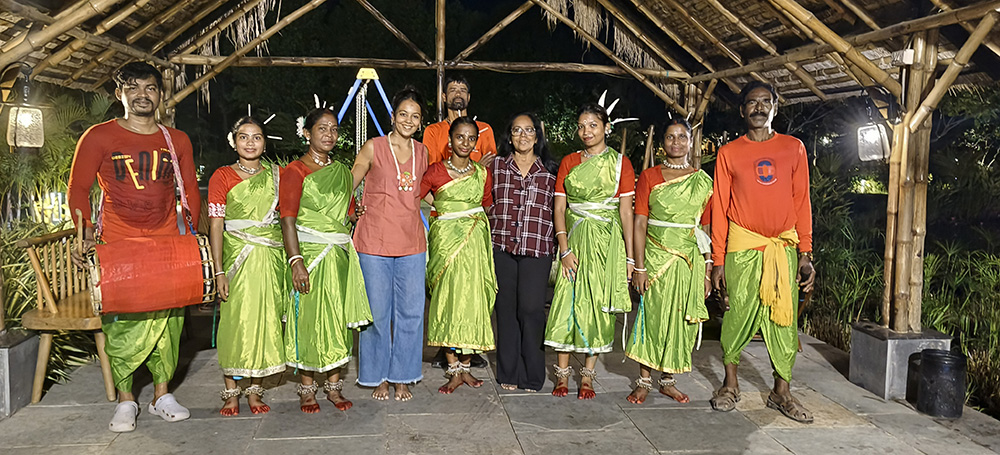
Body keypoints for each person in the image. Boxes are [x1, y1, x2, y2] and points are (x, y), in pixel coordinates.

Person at [68, 62, 198, 432]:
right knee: (122, 319)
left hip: (165, 238)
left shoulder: (178, 139)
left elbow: (189, 190)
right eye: (134, 87)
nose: (143, 94)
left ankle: (161, 395)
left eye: (151, 87)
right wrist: (85, 232)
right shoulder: (98, 136)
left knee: (168, 318)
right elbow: (78, 189)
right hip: (118, 239)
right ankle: (127, 400)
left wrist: (191, 235)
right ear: (119, 94)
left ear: (160, 93)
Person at [709, 81, 816, 423]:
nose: (758, 107)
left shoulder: (793, 148)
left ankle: (781, 392)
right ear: (742, 111)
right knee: (737, 313)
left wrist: (806, 252)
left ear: (775, 108)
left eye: (765, 102)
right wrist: (718, 260)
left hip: (782, 246)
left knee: (783, 319)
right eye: (751, 103)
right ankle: (730, 384)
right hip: (742, 246)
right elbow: (720, 209)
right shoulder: (729, 153)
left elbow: (802, 201)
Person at [279, 107, 372, 413]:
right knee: (307, 319)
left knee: (336, 319)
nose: (329, 135)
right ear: (307, 133)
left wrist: (353, 214)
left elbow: (344, 214)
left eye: (333, 129)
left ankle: (334, 387)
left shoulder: (343, 172)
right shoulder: (295, 172)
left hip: (339, 259)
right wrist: (296, 261)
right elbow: (288, 220)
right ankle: (307, 388)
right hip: (310, 256)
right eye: (322, 129)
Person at [544, 102, 635, 399]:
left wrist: (630, 258)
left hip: (606, 245)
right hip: (574, 240)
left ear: (606, 127)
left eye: (593, 125)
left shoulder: (621, 163)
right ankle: (562, 375)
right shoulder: (570, 161)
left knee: (596, 305)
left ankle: (588, 377)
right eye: (581, 126)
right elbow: (559, 207)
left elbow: (625, 214)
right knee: (566, 302)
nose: (586, 131)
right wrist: (565, 248)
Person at [625, 119, 712, 405]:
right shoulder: (650, 177)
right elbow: (639, 223)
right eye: (670, 137)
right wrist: (639, 266)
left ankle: (668, 380)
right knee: (651, 317)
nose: (676, 142)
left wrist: (708, 269)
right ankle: (644, 380)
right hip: (655, 256)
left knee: (679, 320)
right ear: (663, 142)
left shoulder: (702, 181)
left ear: (690, 141)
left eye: (682, 137)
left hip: (688, 260)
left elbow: (705, 227)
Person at [351, 87, 429, 401]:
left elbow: (425, 192)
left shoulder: (423, 152)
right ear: (392, 116)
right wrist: (343, 211)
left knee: (412, 312)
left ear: (421, 122)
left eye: (415, 116)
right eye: (403, 114)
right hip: (374, 241)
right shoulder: (374, 147)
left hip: (411, 241)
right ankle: (378, 376)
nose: (408, 120)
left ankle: (402, 376)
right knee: (377, 313)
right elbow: (349, 182)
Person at [208, 116, 286, 416]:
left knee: (264, 322)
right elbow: (216, 225)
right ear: (233, 141)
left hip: (268, 259)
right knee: (235, 323)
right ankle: (231, 392)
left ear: (265, 142)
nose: (250, 142)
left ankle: (255, 391)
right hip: (236, 259)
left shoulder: (276, 176)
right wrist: (218, 271)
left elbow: (286, 218)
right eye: (244, 137)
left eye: (256, 137)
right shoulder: (222, 176)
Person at [420, 117, 496, 394]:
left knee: (473, 300)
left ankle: (465, 367)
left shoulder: (482, 173)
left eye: (471, 138)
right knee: (448, 298)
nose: (465, 142)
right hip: (445, 242)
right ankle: (453, 369)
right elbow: (419, 194)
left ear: (476, 142)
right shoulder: (434, 171)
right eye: (460, 137)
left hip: (474, 242)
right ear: (449, 140)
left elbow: (485, 205)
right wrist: (444, 208)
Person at [490, 112, 558, 392]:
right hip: (503, 246)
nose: (523, 136)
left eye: (528, 130)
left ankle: (532, 373)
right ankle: (508, 372)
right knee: (506, 310)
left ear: (537, 136)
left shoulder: (551, 171)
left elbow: (561, 210)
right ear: (509, 135)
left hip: (537, 248)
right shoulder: (496, 167)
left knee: (531, 310)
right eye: (516, 130)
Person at [422, 74, 497, 168]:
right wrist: (477, 168)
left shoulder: (484, 129)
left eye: (463, 90)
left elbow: (491, 166)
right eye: (452, 90)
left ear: (468, 97)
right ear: (444, 97)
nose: (458, 94)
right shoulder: (433, 131)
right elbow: (434, 169)